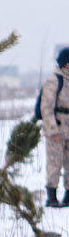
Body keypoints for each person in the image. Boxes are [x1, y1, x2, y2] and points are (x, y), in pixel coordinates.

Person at [41, 47, 69, 208]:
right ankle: (51, 197)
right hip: (57, 129)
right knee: (55, 163)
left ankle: (68, 196)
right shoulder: (54, 81)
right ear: (65, 63)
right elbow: (46, 108)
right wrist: (52, 130)